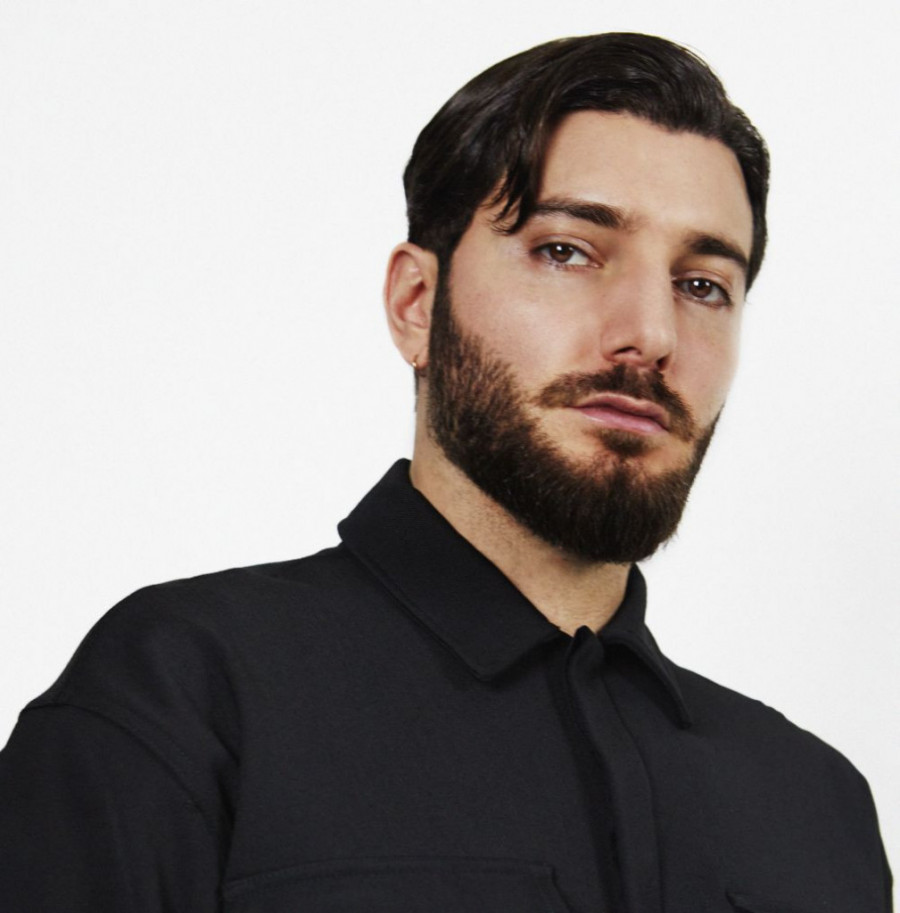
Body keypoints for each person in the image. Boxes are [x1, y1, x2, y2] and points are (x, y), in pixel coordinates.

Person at [0, 32, 891, 913]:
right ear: (417, 304)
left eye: (702, 285)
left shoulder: (819, 811)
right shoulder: (181, 699)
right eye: (567, 251)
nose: (651, 335)